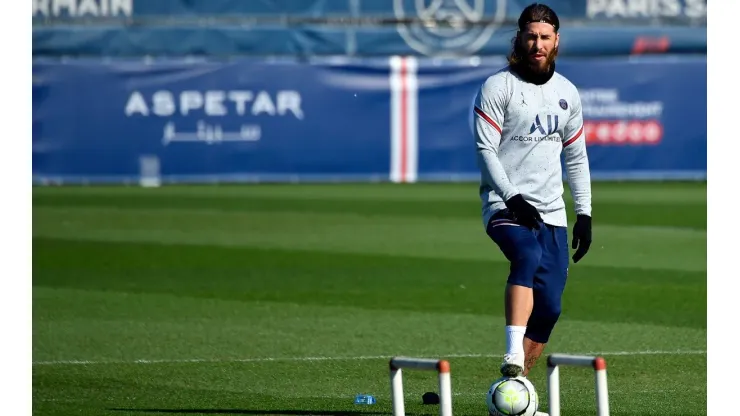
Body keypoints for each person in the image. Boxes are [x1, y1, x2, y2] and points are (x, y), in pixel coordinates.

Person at [472, 3, 593, 378]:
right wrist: (511, 197)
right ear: (519, 38)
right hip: (504, 205)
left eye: (544, 37)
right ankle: (511, 354)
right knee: (525, 254)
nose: (537, 44)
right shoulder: (498, 86)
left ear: (556, 40)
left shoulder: (567, 93)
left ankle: (516, 384)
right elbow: (485, 150)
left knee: (551, 308)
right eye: (531, 36)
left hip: (551, 212)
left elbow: (576, 158)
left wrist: (584, 213)